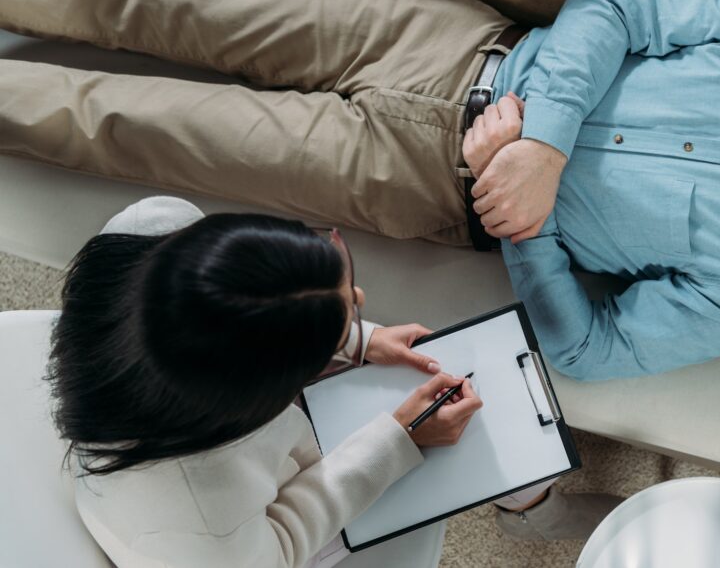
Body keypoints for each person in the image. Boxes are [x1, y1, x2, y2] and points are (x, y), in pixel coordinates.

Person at [2, 0, 720, 386]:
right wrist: (542, 141)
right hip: (439, 44)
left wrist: (522, 220)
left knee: (122, 124)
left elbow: (590, 350)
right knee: (147, 0)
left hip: (407, 178)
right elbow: (619, 6)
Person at [50, 196, 484, 567]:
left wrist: (355, 336)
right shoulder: (204, 536)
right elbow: (283, 542)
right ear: (266, 394)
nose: (359, 299)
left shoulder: (153, 226)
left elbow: (244, 307)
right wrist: (399, 439)